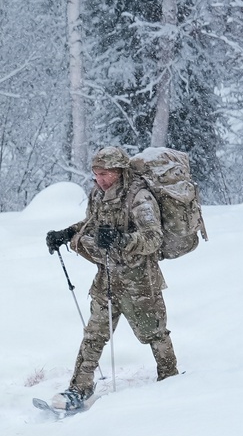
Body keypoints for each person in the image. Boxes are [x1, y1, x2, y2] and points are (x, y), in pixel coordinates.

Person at [45, 146, 178, 410]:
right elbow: (90, 225)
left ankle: (170, 380)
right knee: (93, 335)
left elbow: (153, 238)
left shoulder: (139, 198)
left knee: (155, 333)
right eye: (95, 174)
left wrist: (121, 239)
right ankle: (78, 389)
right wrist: (66, 233)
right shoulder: (98, 195)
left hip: (140, 281)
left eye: (104, 174)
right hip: (107, 278)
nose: (100, 180)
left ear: (119, 171)